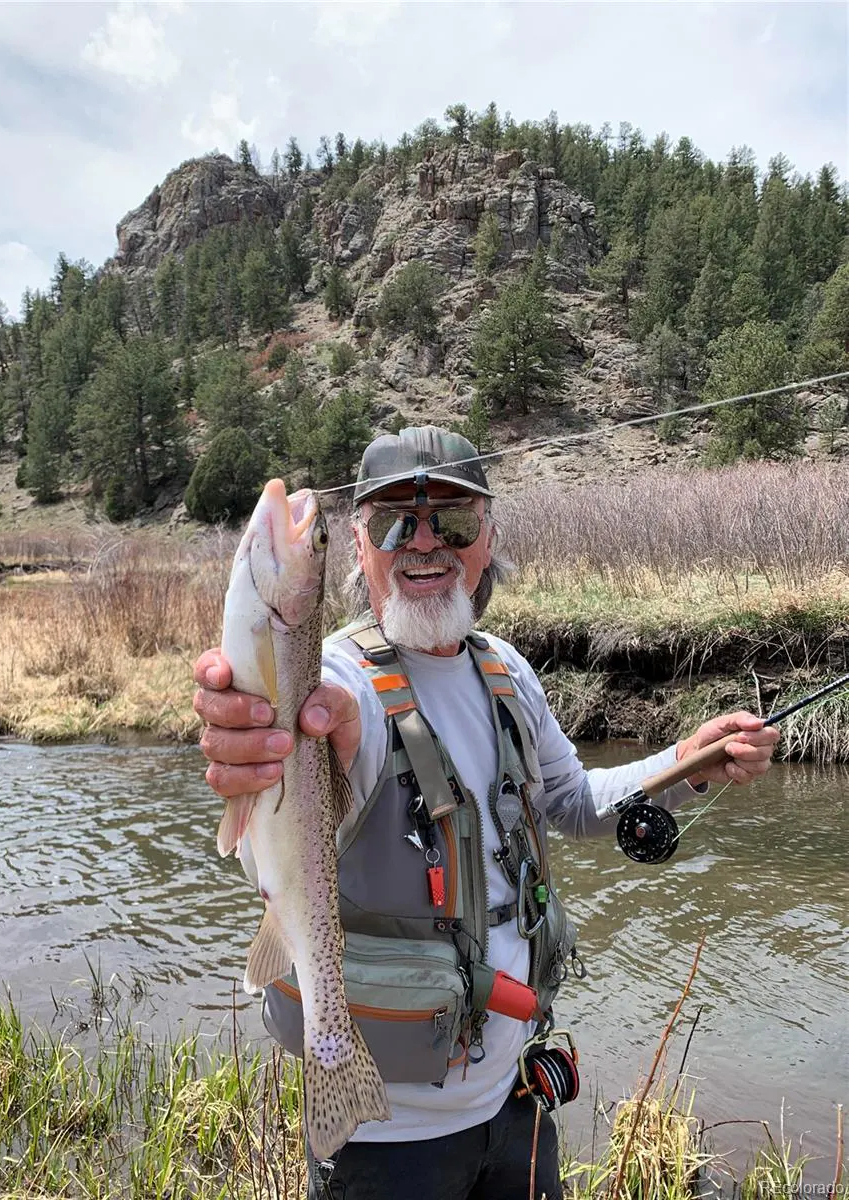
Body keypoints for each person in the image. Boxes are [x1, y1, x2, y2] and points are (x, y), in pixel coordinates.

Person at [193, 426, 778, 1200]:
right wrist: (260, 726)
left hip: (517, 1106)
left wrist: (687, 762)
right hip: (386, 1142)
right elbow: (321, 717)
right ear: (361, 549)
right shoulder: (337, 679)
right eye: (395, 521)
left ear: (488, 538)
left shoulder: (507, 671)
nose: (424, 542)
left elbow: (573, 802)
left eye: (454, 521)